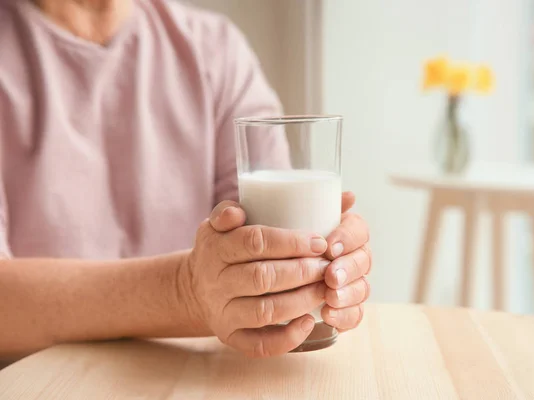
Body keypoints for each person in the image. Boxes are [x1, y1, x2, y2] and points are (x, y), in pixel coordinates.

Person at [0, 0, 371, 359]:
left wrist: (310, 272)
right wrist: (185, 291)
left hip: (197, 377)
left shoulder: (215, 49)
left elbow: (265, 249)